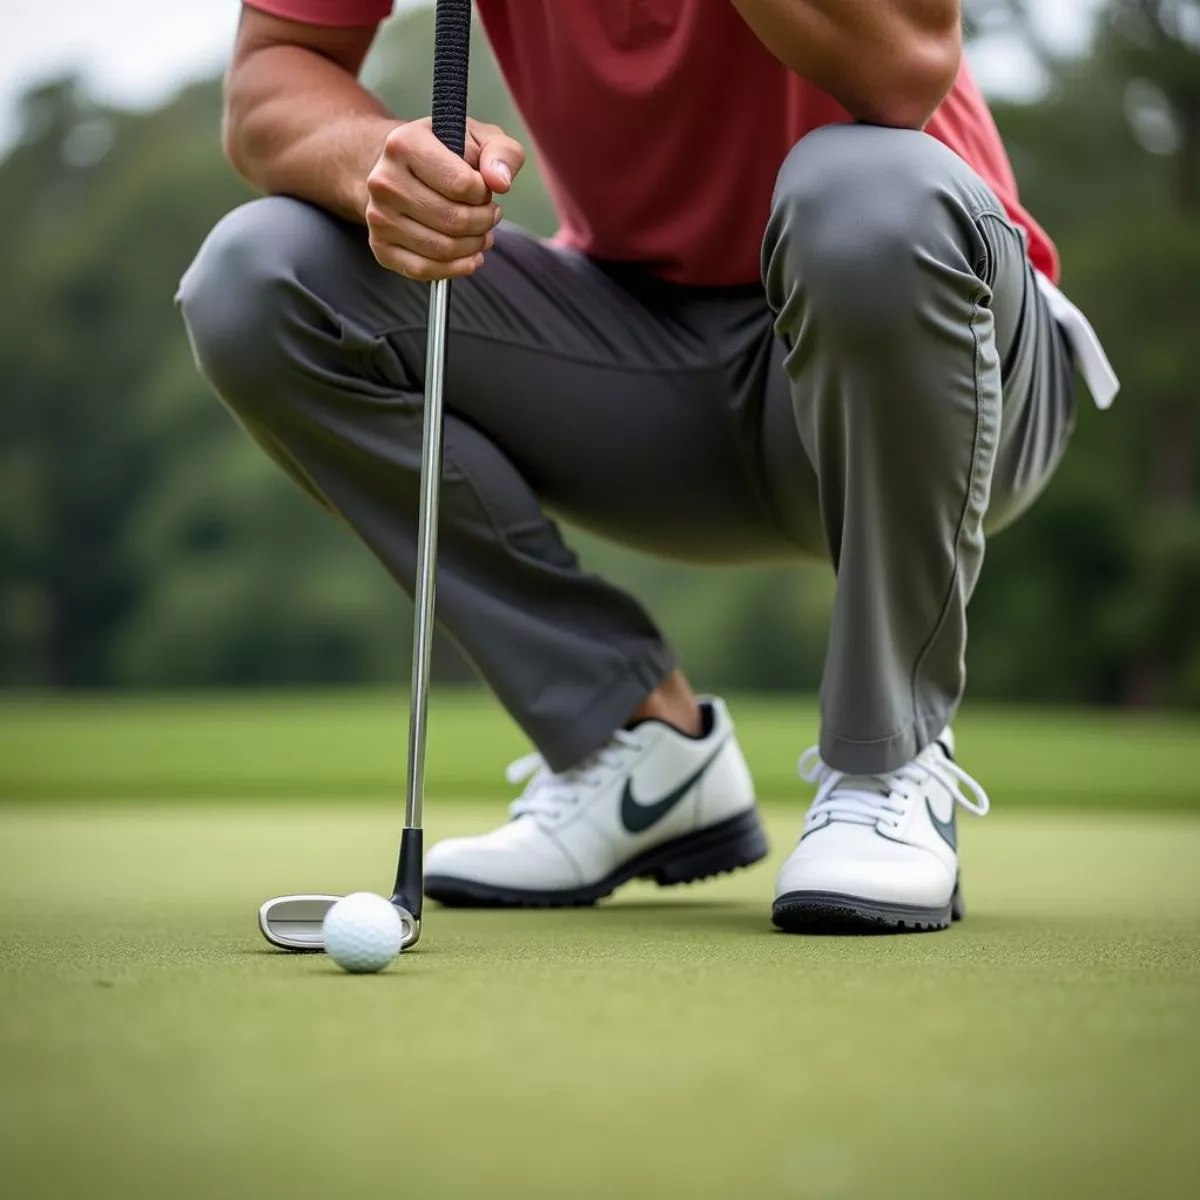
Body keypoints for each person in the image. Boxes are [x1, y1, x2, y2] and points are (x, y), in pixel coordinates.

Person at [179, 1, 1117, 933]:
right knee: (259, 279)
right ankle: (633, 740)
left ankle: (890, 760)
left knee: (865, 186)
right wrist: (376, 160)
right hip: (643, 366)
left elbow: (901, 71)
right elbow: (272, 75)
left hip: (938, 354)